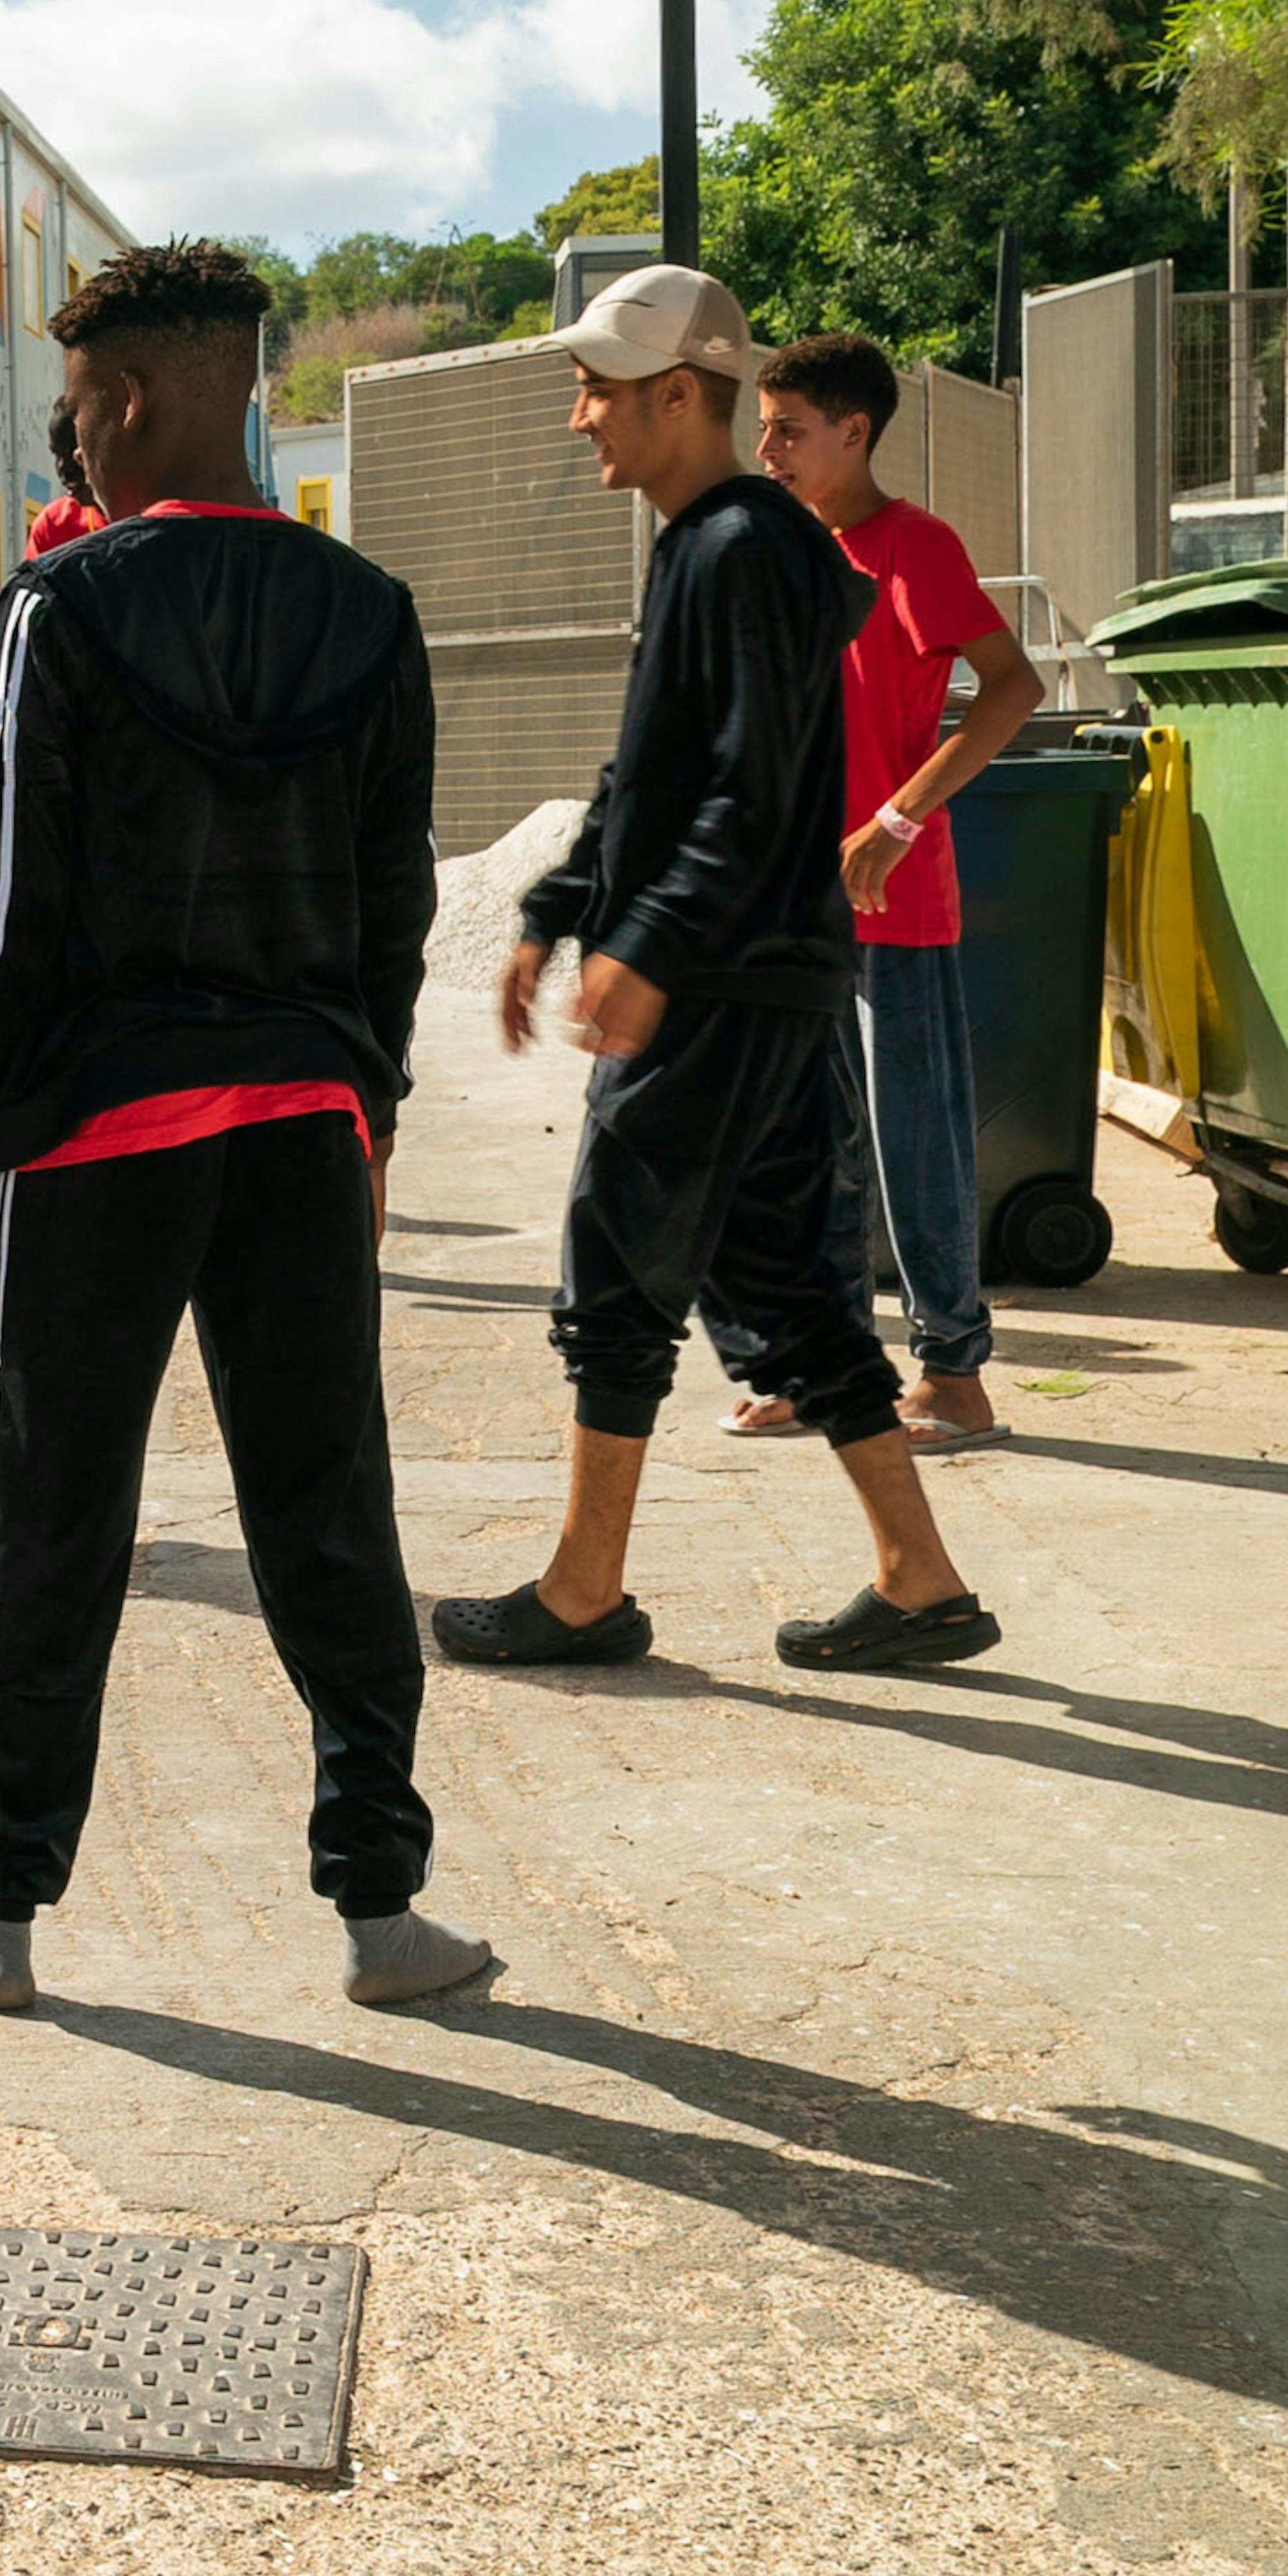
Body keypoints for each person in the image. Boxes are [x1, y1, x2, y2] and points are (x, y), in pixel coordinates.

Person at [0, 239, 490, 2015]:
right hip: (302, 1121)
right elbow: (397, 908)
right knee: (330, 1504)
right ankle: (384, 1912)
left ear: (129, 396)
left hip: (99, 1131)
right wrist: (362, 1109)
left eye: (73, 405)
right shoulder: (371, 610)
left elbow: (16, 900)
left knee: (54, 1511)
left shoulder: (63, 610)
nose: (67, 441)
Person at [432, 266, 1003, 1678]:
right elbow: (654, 772)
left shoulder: (737, 548)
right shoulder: (715, 542)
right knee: (790, 1288)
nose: (579, 420)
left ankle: (582, 1591)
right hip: (762, 975)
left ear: (678, 394)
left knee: (617, 1272)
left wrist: (648, 946)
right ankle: (919, 1578)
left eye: (597, 389)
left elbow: (750, 794)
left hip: (725, 983)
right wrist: (558, 908)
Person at [711, 333, 1040, 1450]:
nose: (767, 451)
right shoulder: (782, 551)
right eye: (762, 429)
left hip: (894, 906)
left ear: (853, 432)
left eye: (788, 431)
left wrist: (898, 821)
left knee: (914, 1150)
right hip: (792, 909)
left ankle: (952, 1375)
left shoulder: (916, 550)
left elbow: (1012, 688)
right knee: (810, 1146)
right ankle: (821, 1367)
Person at [23, 396, 103, 558]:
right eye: (57, 455)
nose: (63, 469)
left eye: (74, 453)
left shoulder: (154, 515)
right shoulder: (53, 526)